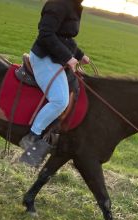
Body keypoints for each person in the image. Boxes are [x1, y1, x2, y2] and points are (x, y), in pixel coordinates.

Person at [19, 0, 90, 166]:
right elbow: (46, 34)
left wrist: (79, 55)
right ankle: (32, 136)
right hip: (44, 58)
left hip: (56, 57)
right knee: (60, 101)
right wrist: (67, 57)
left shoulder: (74, 5)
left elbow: (64, 36)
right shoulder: (58, 3)